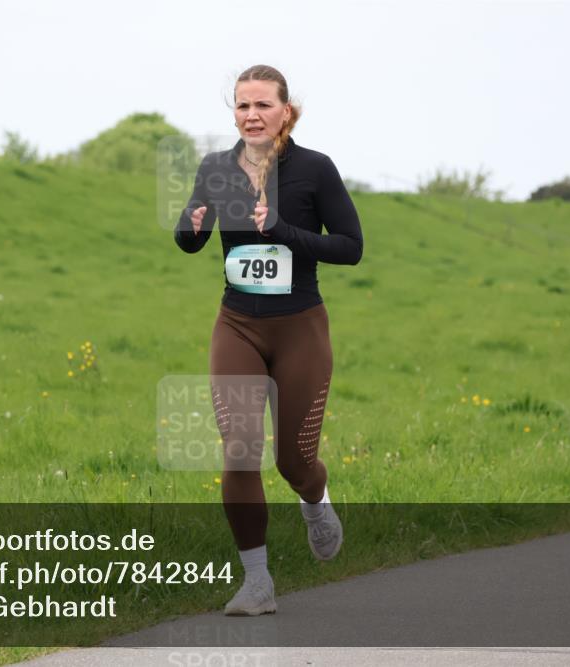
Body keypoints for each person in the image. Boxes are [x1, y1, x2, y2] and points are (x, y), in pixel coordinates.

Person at [173, 64, 364, 616]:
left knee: (295, 462)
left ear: (285, 111)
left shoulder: (314, 170)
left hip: (300, 326)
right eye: (242, 105)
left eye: (262, 105)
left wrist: (281, 231)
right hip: (237, 325)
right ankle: (257, 582)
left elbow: (351, 246)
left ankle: (315, 501)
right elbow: (190, 239)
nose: (251, 115)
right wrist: (191, 225)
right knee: (238, 451)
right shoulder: (215, 167)